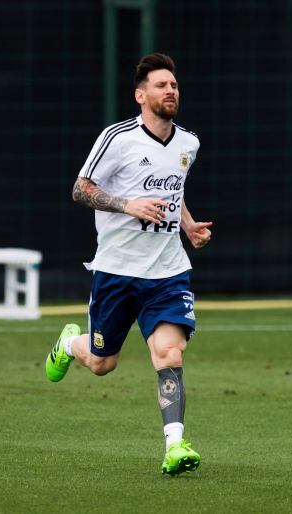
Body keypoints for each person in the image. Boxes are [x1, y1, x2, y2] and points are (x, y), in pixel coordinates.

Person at [45, 53, 212, 476]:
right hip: (117, 271)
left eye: (173, 84)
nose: (170, 90)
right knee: (103, 363)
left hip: (168, 270)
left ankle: (175, 446)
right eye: (160, 85)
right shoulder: (118, 138)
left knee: (170, 353)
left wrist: (189, 226)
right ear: (140, 95)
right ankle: (69, 344)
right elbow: (80, 189)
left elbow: (175, 192)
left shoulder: (187, 143)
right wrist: (126, 205)